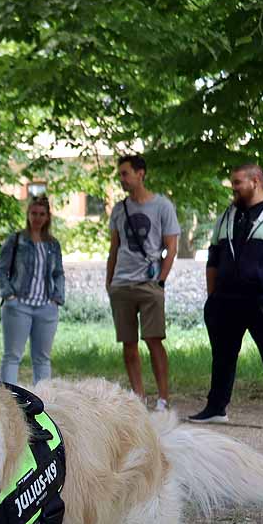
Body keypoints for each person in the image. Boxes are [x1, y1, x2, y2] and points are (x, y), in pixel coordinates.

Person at [188, 164, 263, 433]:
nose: (233, 187)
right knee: (223, 356)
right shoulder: (228, 215)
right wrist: (212, 297)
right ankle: (216, 408)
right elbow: (214, 257)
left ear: (256, 181)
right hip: (226, 302)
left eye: (238, 182)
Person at [106, 154, 180, 410]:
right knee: (129, 343)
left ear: (140, 174)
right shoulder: (118, 209)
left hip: (149, 285)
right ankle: (138, 397)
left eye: (125, 173)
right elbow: (114, 249)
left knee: (154, 340)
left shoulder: (162, 206)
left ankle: (162, 398)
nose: (122, 179)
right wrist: (110, 283)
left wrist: (160, 281)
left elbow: (171, 247)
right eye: (120, 174)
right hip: (122, 284)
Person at [0, 195, 65, 385]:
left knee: (42, 358)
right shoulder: (16, 240)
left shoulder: (53, 244)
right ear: (28, 214)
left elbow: (58, 273)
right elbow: (2, 270)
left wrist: (57, 299)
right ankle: (8, 399)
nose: (37, 218)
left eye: (42, 214)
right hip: (18, 307)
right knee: (12, 356)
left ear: (48, 217)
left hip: (46, 308)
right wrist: (9, 295)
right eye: (34, 213)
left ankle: (43, 401)